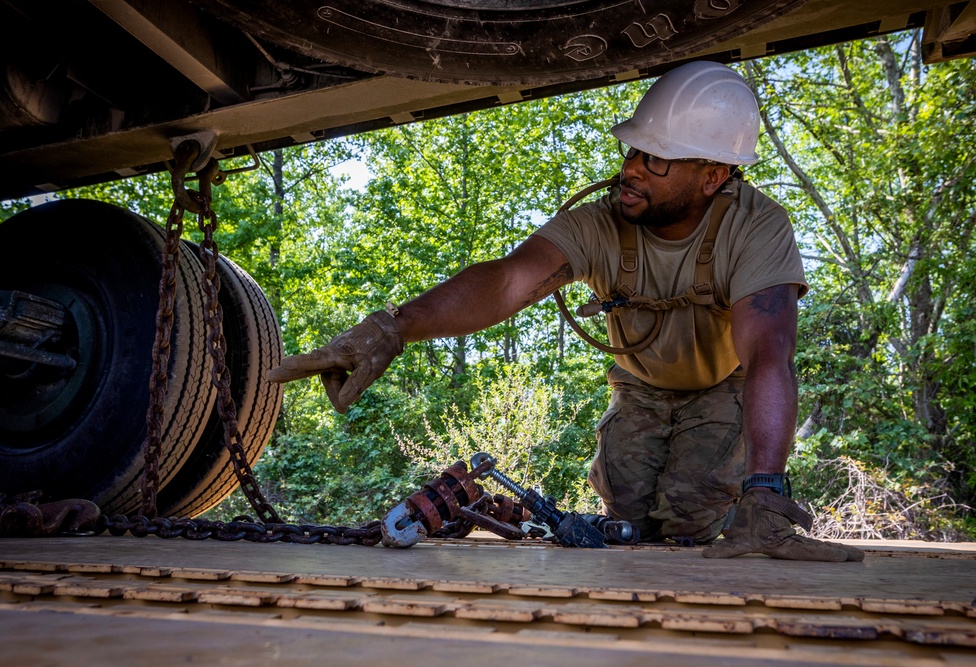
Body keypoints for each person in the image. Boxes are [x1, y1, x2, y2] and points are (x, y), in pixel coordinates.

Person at [267, 61, 864, 562]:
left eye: (655, 160)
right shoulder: (600, 222)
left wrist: (764, 491)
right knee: (628, 520)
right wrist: (390, 330)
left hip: (721, 385)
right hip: (640, 386)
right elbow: (505, 282)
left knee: (687, 516)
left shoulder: (757, 227)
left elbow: (768, 353)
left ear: (713, 175)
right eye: (633, 150)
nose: (631, 168)